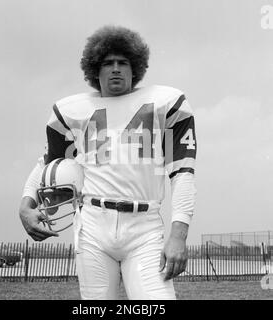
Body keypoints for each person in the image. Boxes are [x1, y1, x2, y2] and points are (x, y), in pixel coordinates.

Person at [19, 25, 197, 300]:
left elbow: (183, 173)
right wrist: (25, 206)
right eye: (108, 63)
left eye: (123, 62)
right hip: (92, 225)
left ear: (135, 67)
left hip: (145, 226)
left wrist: (178, 235)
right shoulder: (72, 112)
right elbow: (48, 161)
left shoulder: (166, 103)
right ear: (94, 70)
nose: (116, 69)